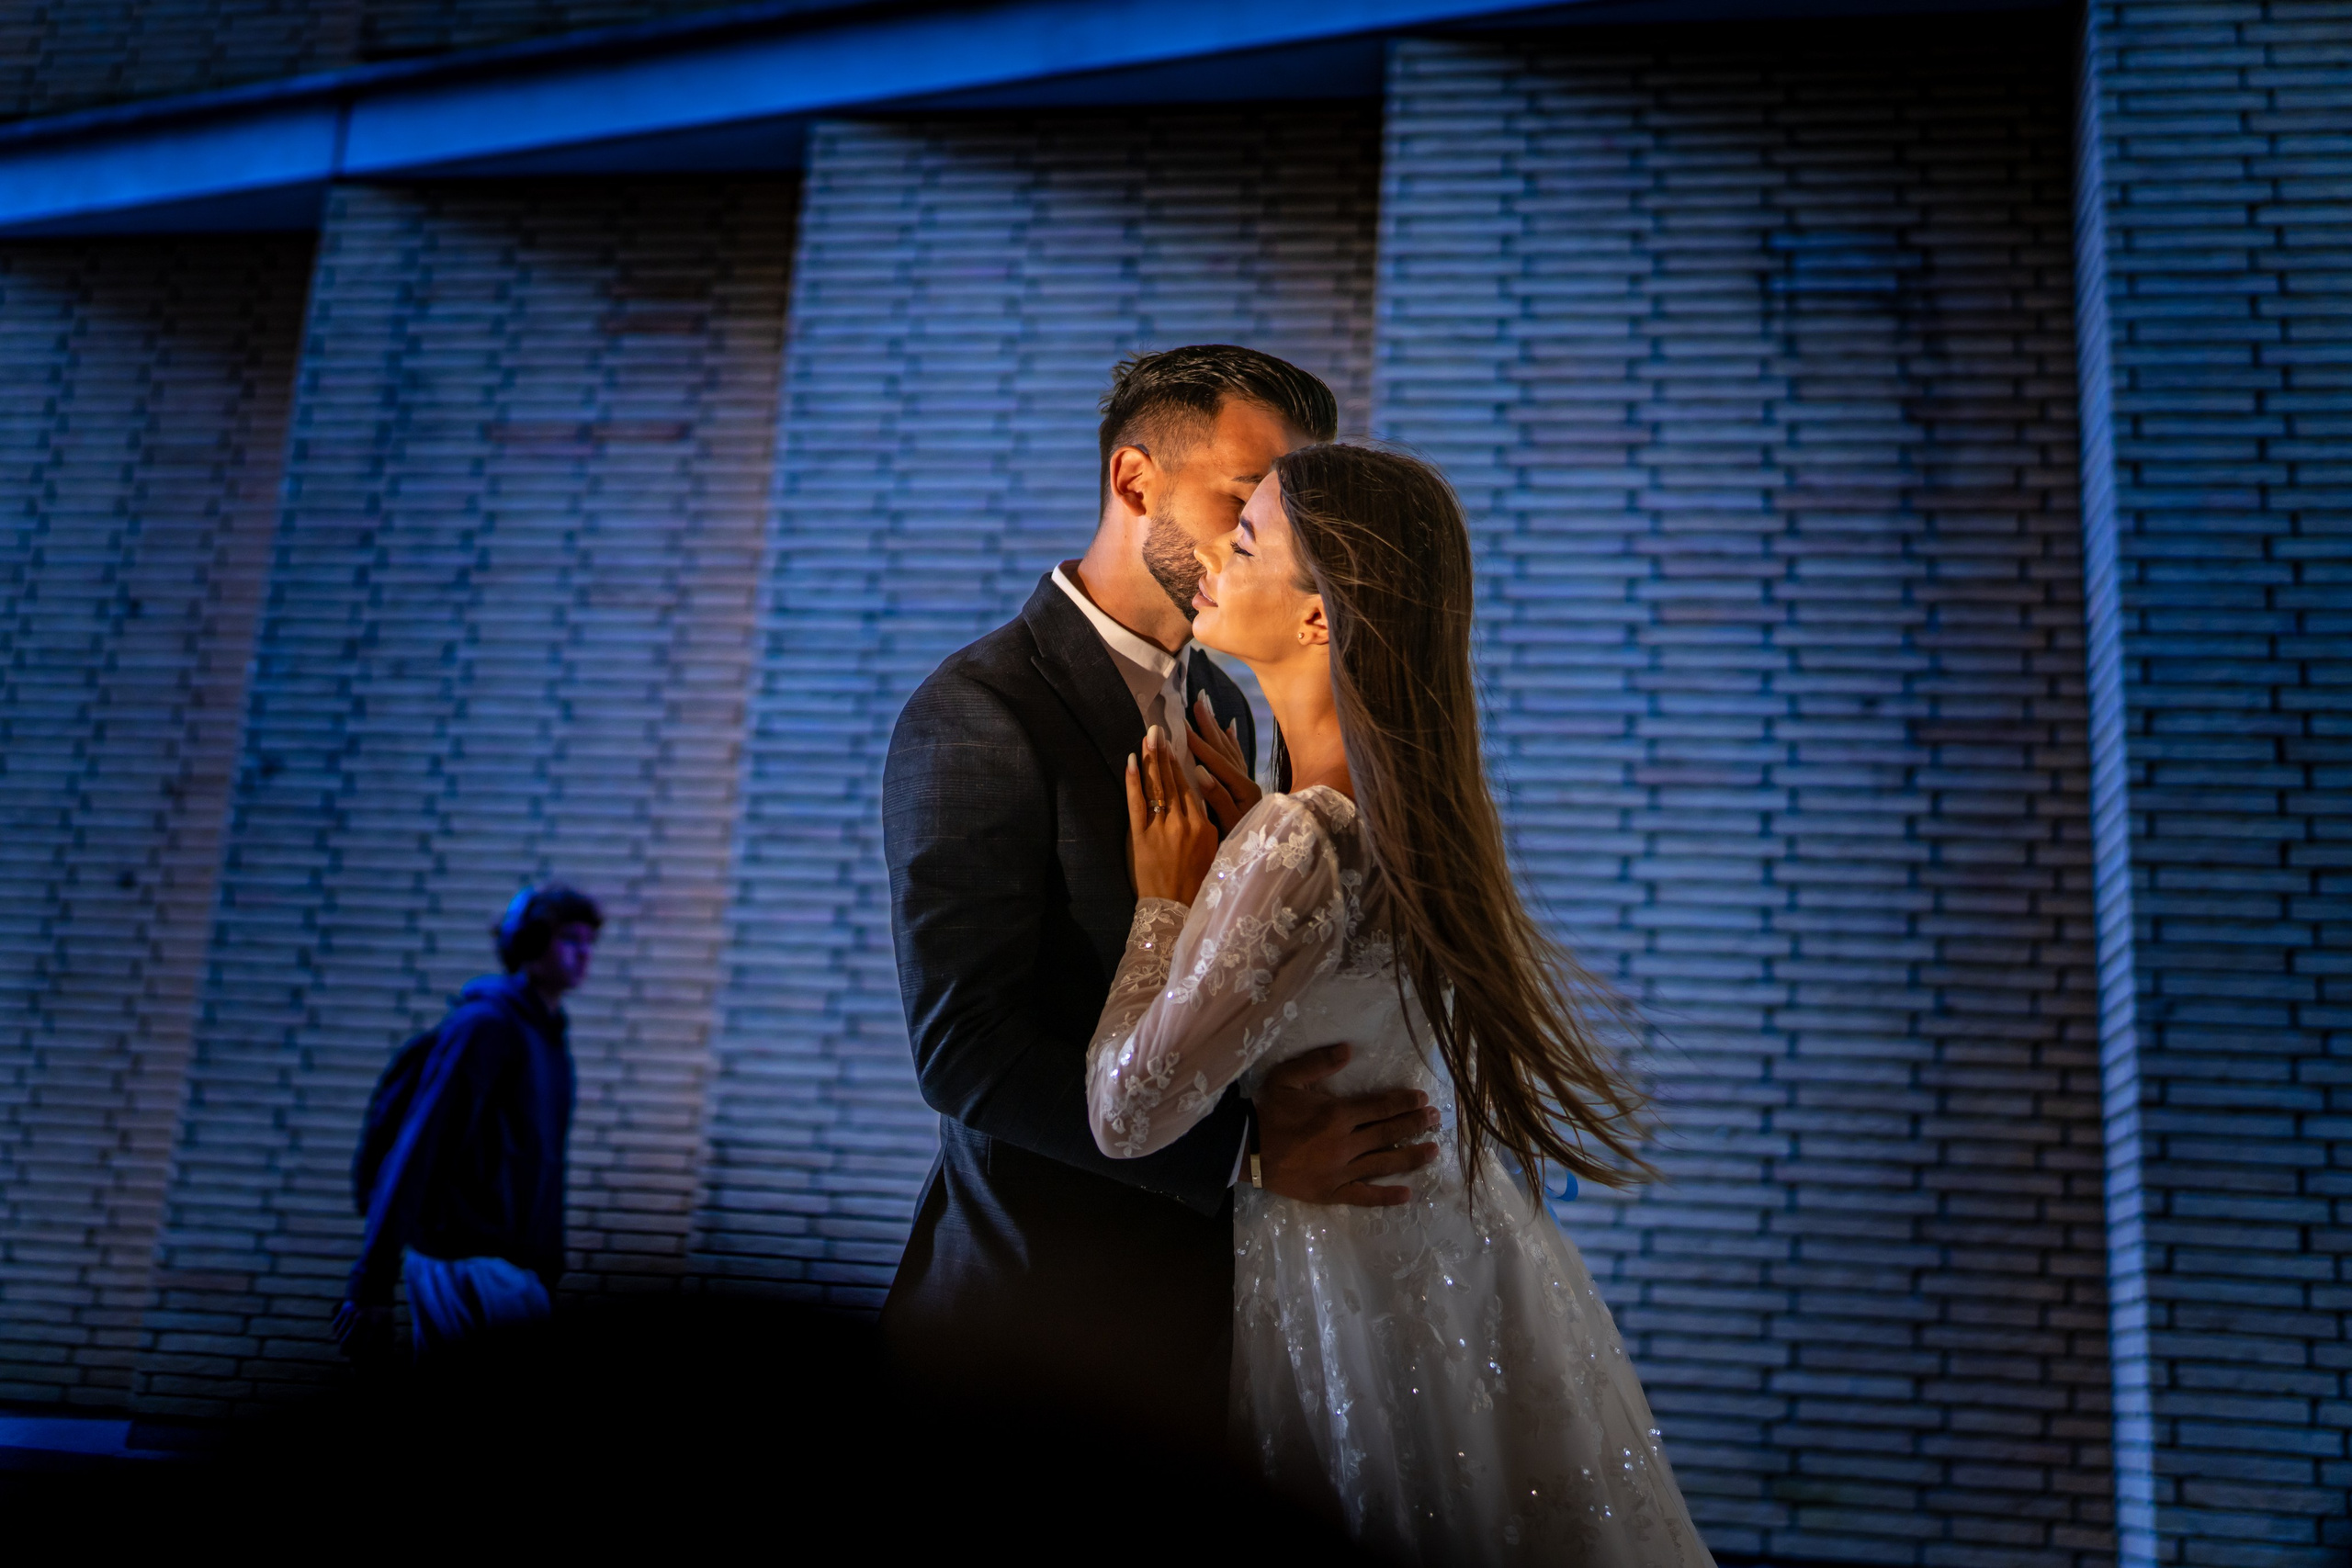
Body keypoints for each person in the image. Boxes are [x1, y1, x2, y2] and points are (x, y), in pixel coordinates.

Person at [1089, 445, 1715, 1565]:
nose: (1213, 564)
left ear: (1319, 620)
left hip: (1343, 1303)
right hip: (1450, 1270)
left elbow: (1125, 1116)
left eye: (1245, 545)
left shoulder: (1296, 838)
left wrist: (1164, 907)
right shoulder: (1399, 818)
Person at [881, 346, 1443, 1454]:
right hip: (1038, 1310)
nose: (1265, 536)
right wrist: (1247, 1155)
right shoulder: (980, 709)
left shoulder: (1229, 703)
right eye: (1245, 497)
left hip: (1218, 1312)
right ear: (1135, 482)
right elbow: (964, 1050)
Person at [334, 885, 599, 1364]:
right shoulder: (485, 1027)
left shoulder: (549, 1039)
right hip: (463, 1261)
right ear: (529, 942)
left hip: (512, 1267)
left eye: (589, 941)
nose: (584, 954)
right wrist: (371, 1283)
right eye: (569, 939)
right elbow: (420, 1146)